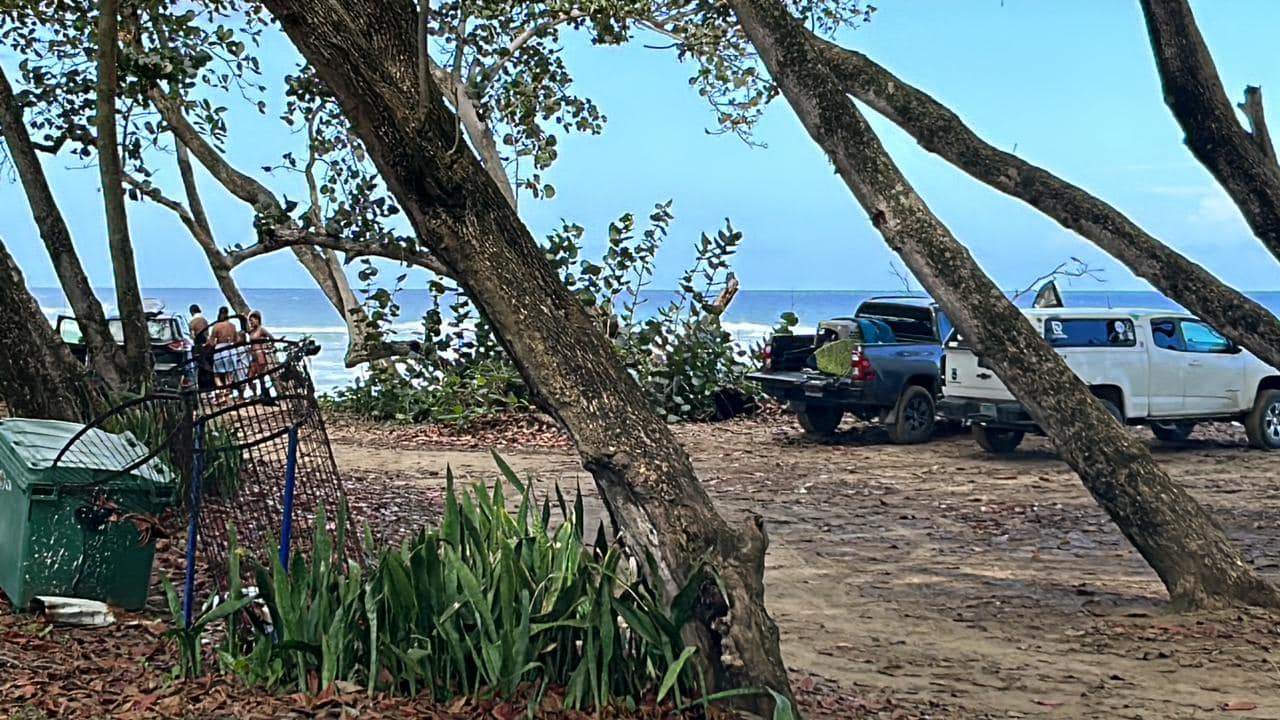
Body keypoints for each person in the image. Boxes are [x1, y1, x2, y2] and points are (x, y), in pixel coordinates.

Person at [206, 307, 240, 399]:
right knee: (229, 373)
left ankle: (221, 390)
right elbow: (237, 340)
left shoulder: (216, 326)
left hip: (220, 349)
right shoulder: (233, 326)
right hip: (230, 349)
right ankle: (227, 391)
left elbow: (212, 342)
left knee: (216, 373)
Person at [247, 310, 276, 401]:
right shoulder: (251, 331)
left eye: (252, 320)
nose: (251, 322)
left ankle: (264, 395)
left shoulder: (261, 329)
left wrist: (268, 347)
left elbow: (271, 338)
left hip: (260, 355)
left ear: (258, 320)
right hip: (253, 356)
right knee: (249, 377)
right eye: (250, 321)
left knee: (260, 376)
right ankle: (257, 394)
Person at [189, 305, 214, 390]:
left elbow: (192, 336)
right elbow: (207, 334)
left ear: (192, 312)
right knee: (209, 364)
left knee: (200, 366)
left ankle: (201, 387)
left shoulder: (192, 322)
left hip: (198, 346)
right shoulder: (205, 320)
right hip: (207, 345)